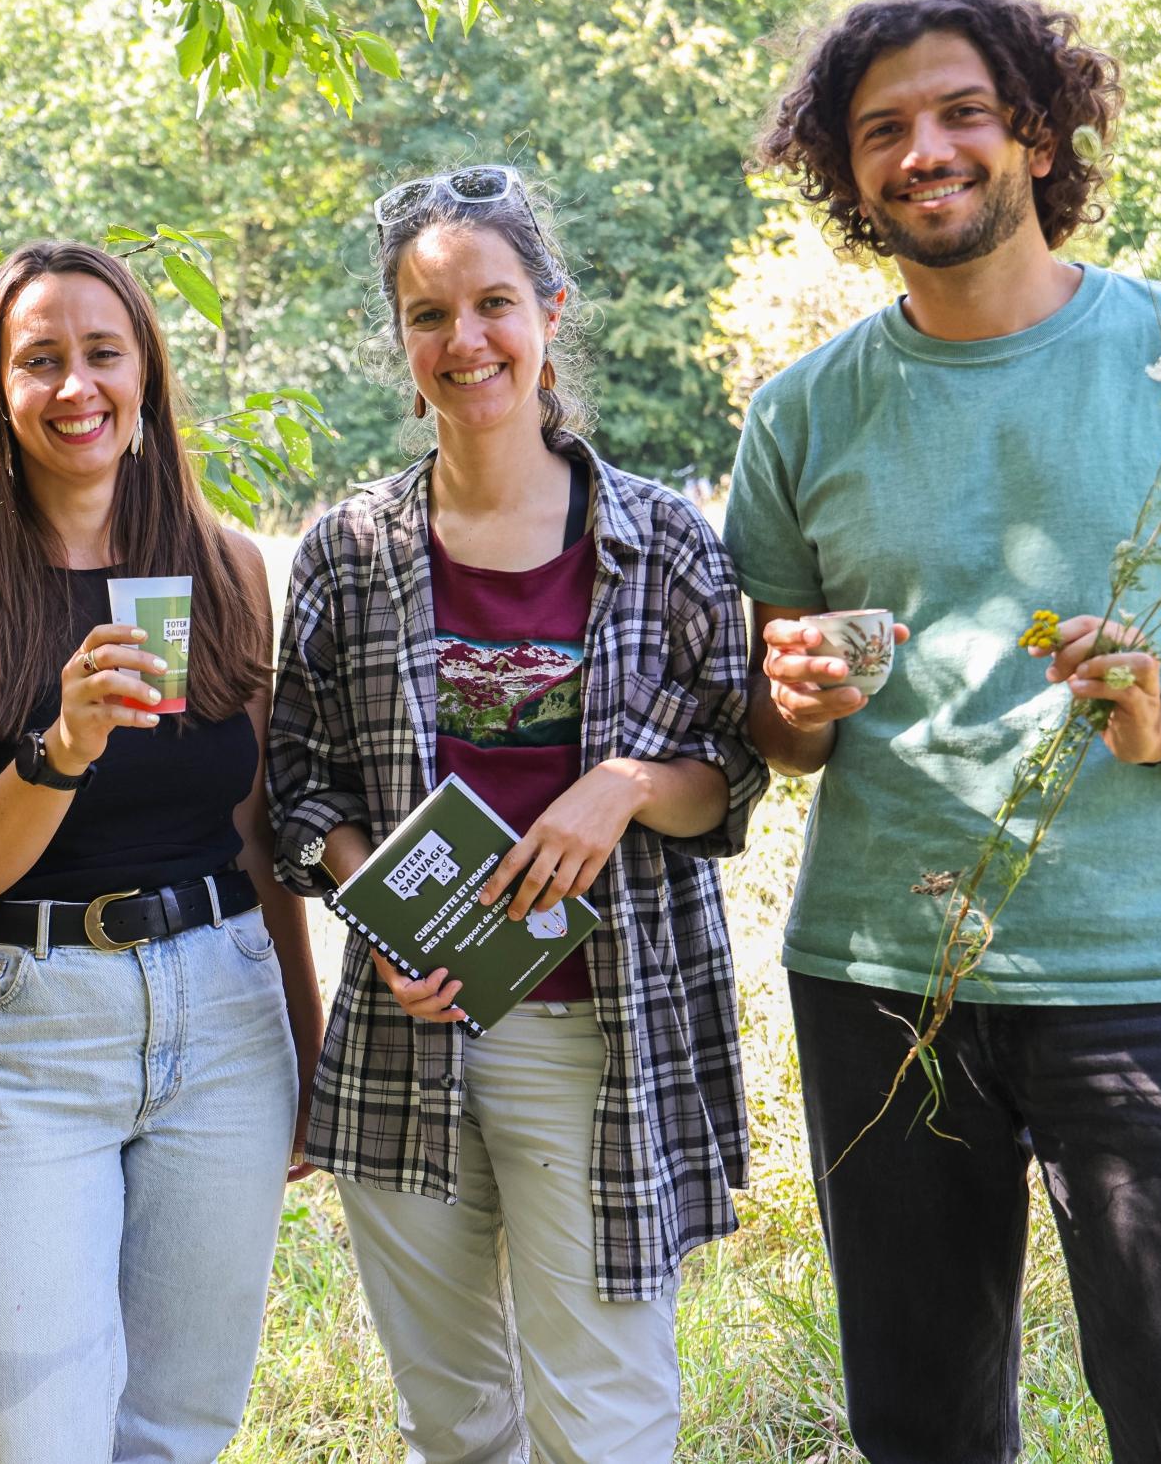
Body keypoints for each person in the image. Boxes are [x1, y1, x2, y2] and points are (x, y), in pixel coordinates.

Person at [730, 0, 1161, 1464]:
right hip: (881, 972)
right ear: (846, 166)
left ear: (1034, 129)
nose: (923, 150)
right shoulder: (800, 413)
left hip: (1143, 967)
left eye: (962, 112)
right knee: (923, 1425)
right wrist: (796, 700)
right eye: (882, 128)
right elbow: (776, 727)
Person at [266, 168, 766, 1464]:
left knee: (603, 1418)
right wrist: (373, 897)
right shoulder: (348, 549)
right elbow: (298, 783)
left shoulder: (663, 539)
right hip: (404, 1036)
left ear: (550, 312)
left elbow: (733, 775)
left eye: (493, 302)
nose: (464, 339)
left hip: (598, 1038)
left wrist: (632, 783)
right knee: (455, 1422)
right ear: (401, 341)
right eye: (428, 314)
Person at [0, 239, 324, 1463]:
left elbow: (255, 835)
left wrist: (303, 1026)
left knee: (175, 1429)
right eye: (40, 360)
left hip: (225, 1014)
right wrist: (59, 748)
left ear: (146, 378)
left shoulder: (224, 567)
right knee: (25, 1437)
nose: (76, 385)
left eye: (102, 354)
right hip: (26, 1026)